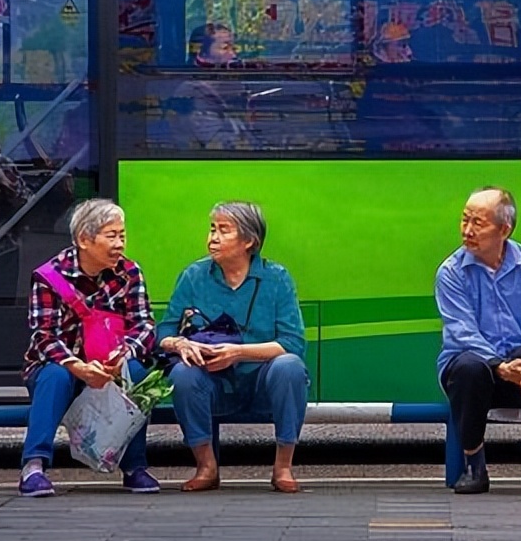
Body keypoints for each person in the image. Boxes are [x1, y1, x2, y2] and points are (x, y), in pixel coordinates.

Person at [156, 202, 308, 493]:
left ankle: (283, 467)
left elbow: (293, 342)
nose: (213, 237)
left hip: (261, 381)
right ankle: (206, 467)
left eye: (223, 231)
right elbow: (164, 331)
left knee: (289, 366)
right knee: (182, 375)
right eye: (212, 229)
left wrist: (239, 352)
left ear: (249, 240)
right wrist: (179, 343)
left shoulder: (276, 278)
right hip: (211, 380)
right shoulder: (194, 276)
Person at [19, 198, 160, 497]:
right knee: (54, 375)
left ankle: (135, 467)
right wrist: (78, 367)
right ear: (84, 239)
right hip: (64, 369)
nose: (120, 244)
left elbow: (145, 326)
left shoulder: (130, 273)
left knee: (135, 371)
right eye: (111, 236)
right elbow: (43, 337)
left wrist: (122, 357)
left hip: (111, 365)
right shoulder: (49, 276)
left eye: (122, 235)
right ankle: (34, 466)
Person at [436, 187, 521, 496]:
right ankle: (474, 464)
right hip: (473, 368)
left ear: (504, 229)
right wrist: (500, 365)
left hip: (519, 368)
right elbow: (462, 332)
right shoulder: (451, 272)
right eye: (465, 220)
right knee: (470, 365)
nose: (467, 230)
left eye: (478, 223)